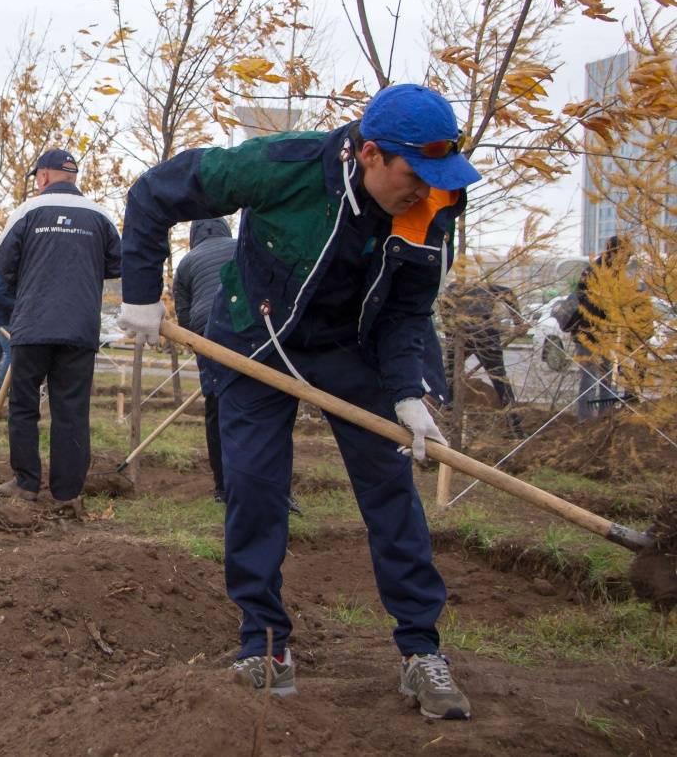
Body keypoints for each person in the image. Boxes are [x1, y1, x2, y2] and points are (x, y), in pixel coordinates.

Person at [117, 84, 479, 720]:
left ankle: (420, 649)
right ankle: (265, 642)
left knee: (390, 491)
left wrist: (405, 391)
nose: (424, 189)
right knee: (254, 489)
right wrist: (142, 292)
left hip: (353, 350)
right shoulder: (280, 165)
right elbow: (154, 193)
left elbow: (407, 309)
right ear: (369, 154)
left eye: (435, 177)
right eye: (411, 174)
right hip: (256, 340)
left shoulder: (435, 199)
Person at [0, 149, 122, 511]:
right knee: (72, 409)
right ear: (73, 176)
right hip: (80, 327)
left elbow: (4, 265)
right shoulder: (100, 216)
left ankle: (27, 482)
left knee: (24, 405)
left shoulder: (26, 212)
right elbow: (115, 263)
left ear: (44, 176)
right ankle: (68, 493)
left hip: (33, 324)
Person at [173, 217, 237, 502]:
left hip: (207, 333)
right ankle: (276, 489)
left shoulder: (187, 261)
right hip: (248, 326)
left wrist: (196, 343)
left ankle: (223, 488)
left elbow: (183, 312)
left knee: (216, 407)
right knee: (262, 406)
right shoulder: (241, 247)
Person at [438, 266, 526, 438]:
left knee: (449, 377)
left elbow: (445, 317)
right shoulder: (486, 287)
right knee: (499, 379)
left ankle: (446, 423)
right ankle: (516, 430)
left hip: (461, 332)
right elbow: (508, 293)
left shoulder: (450, 291)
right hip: (485, 332)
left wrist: (452, 343)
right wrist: (518, 322)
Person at [570, 235, 625, 420]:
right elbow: (586, 304)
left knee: (608, 375)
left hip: (606, 333)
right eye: (625, 256)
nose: (626, 260)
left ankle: (606, 416)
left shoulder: (616, 273)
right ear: (614, 253)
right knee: (589, 376)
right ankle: (585, 420)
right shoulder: (594, 272)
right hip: (587, 332)